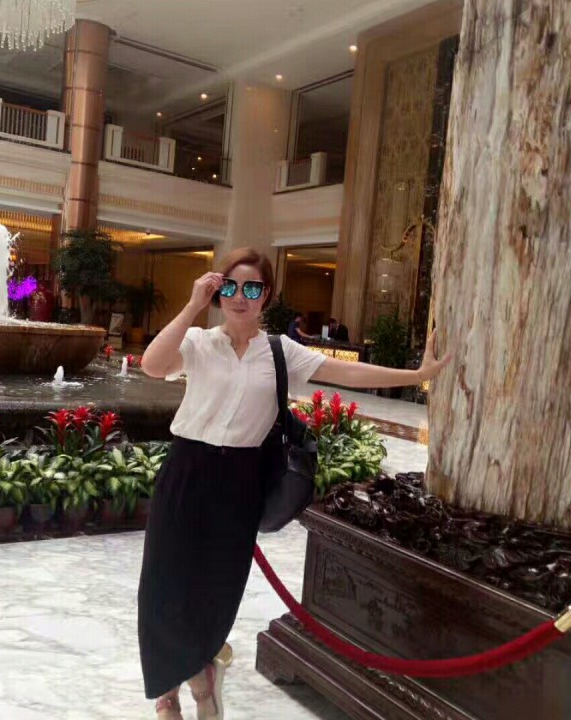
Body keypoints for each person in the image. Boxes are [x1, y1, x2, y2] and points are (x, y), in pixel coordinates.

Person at [138, 247, 450, 720]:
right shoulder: (199, 341)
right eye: (230, 287)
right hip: (186, 471)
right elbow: (153, 364)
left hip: (239, 481)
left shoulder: (281, 352)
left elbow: (347, 371)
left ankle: (202, 669)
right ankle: (169, 694)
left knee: (217, 589)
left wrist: (418, 375)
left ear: (267, 295)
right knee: (165, 583)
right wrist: (192, 305)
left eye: (252, 288)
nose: (240, 297)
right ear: (218, 290)